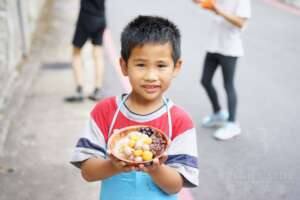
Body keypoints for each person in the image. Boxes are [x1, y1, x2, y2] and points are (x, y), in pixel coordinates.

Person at [70, 16, 199, 200]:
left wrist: (156, 169)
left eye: (161, 65)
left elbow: (175, 185)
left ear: (176, 67)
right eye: (141, 65)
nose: (151, 76)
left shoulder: (179, 121)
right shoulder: (105, 112)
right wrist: (113, 165)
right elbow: (88, 172)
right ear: (124, 66)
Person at [193, 0, 251, 140]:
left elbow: (241, 22)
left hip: (230, 49)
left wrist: (218, 10)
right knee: (205, 81)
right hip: (214, 45)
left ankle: (232, 124)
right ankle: (218, 113)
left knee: (228, 85)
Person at [65, 0, 106, 102]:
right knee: (98, 54)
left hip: (86, 16)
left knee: (76, 52)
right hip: (101, 17)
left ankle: (79, 90)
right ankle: (97, 90)